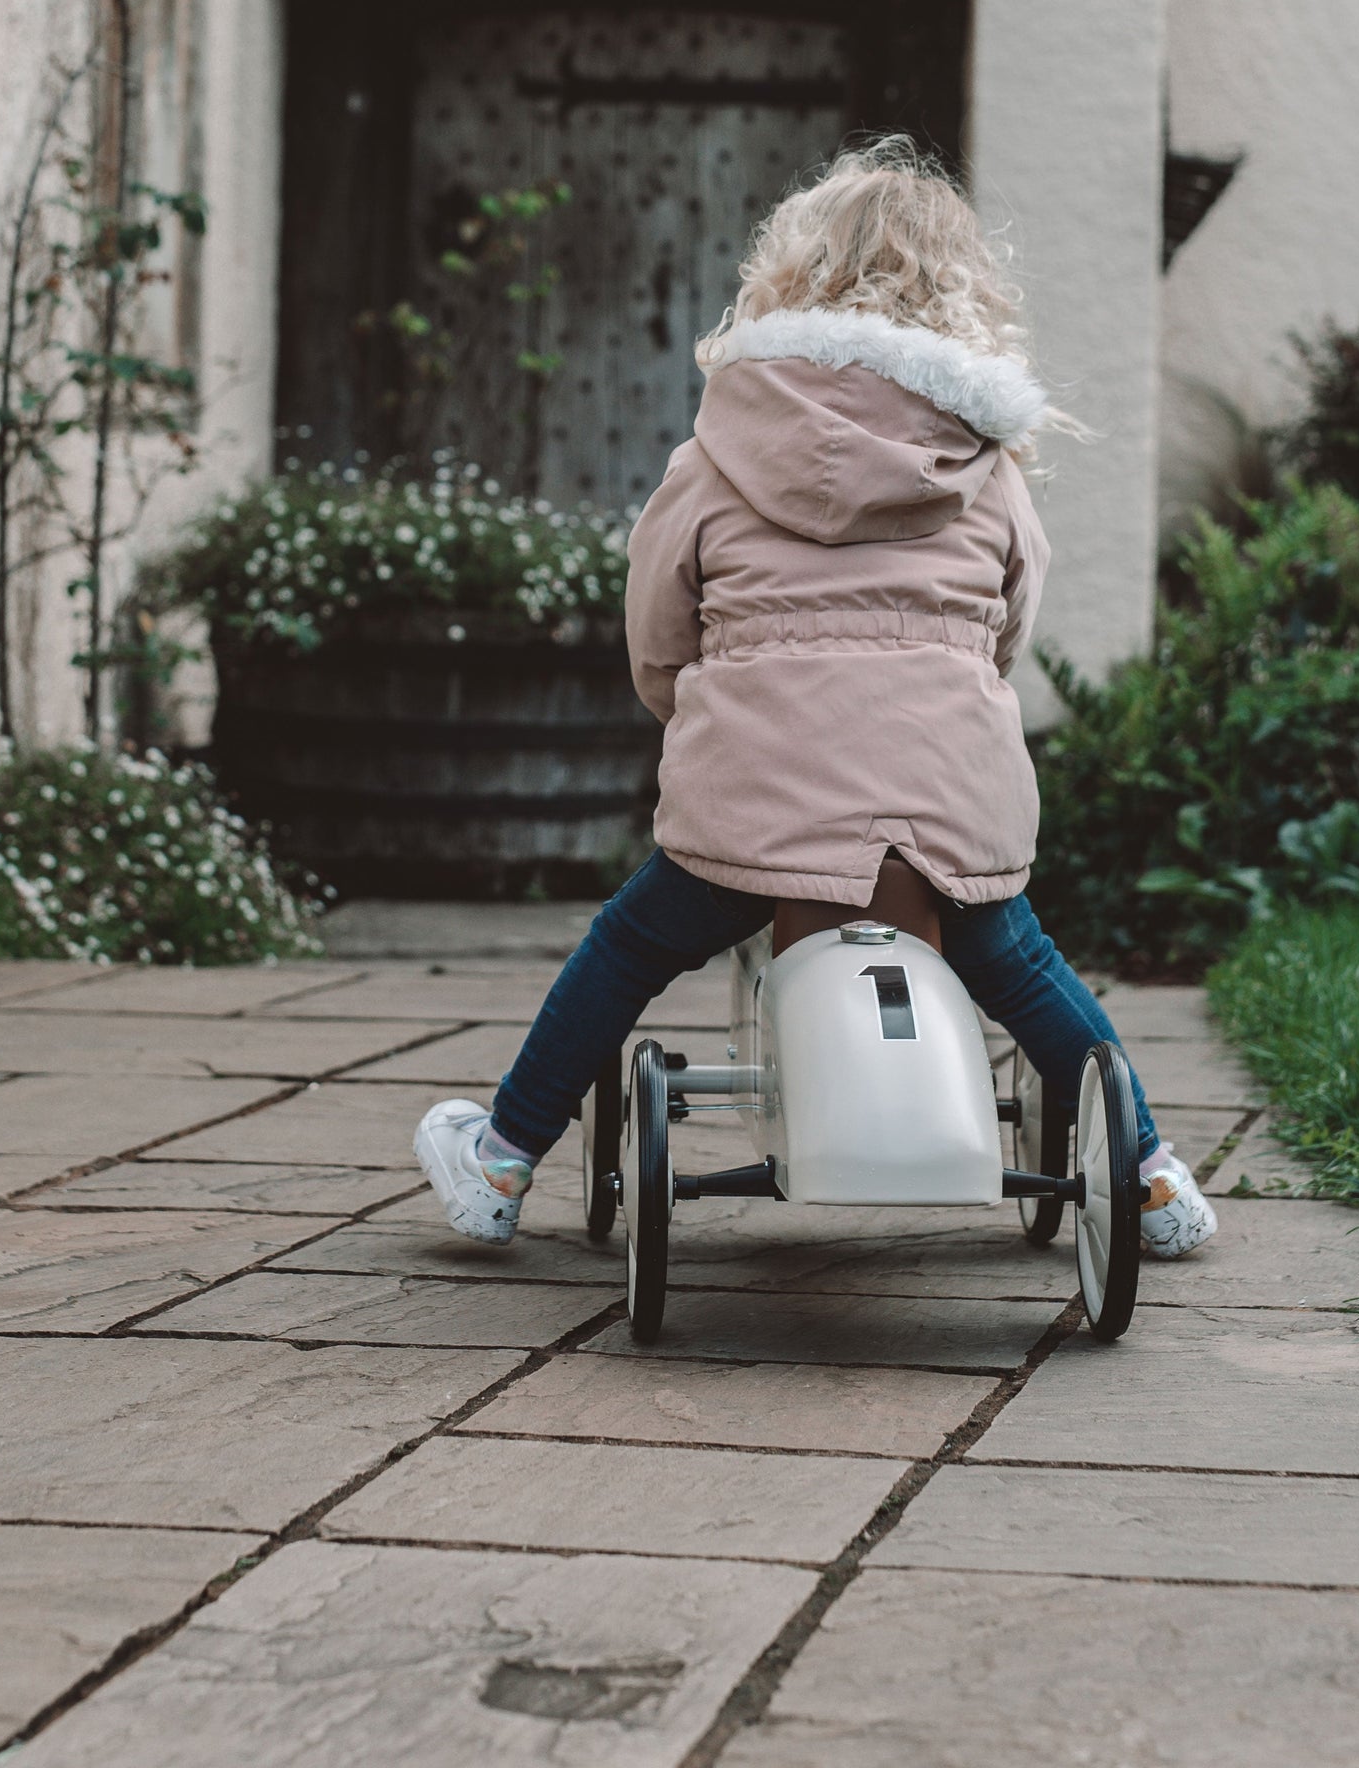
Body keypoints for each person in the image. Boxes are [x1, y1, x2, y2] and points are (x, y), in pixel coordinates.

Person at [414, 138, 1216, 1263]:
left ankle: (499, 1160)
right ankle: (1149, 1179)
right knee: (1020, 966)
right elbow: (1009, 628)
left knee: (632, 943)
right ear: (963, 294)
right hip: (948, 794)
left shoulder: (715, 454)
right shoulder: (984, 468)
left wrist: (697, 716)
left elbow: (658, 630)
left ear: (785, 275)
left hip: (755, 790)